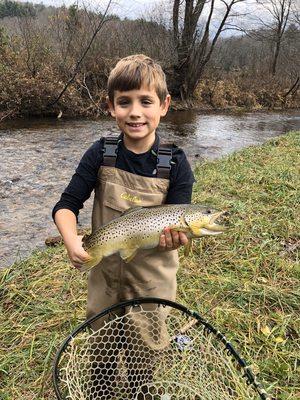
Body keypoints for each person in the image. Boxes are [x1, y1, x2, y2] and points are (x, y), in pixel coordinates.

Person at [52, 54, 195, 397]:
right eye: (124, 102)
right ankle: (99, 390)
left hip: (152, 281)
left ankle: (139, 389)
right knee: (100, 348)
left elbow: (180, 228)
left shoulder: (176, 164)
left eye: (146, 101)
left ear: (164, 105)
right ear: (110, 107)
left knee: (143, 355)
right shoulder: (101, 154)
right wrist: (73, 242)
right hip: (104, 277)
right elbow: (66, 206)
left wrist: (175, 240)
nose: (135, 112)